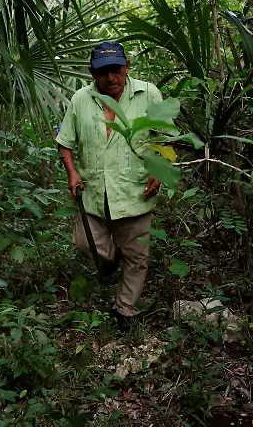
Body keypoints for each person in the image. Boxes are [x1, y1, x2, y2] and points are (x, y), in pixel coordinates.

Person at [56, 41, 163, 332]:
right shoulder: (81, 99)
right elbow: (64, 142)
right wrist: (72, 172)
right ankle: (114, 257)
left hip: (135, 191)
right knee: (84, 241)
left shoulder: (148, 94)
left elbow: (166, 136)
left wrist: (160, 169)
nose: (111, 78)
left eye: (116, 70)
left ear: (127, 67)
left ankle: (124, 309)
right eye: (103, 72)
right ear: (93, 73)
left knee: (137, 257)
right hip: (94, 193)